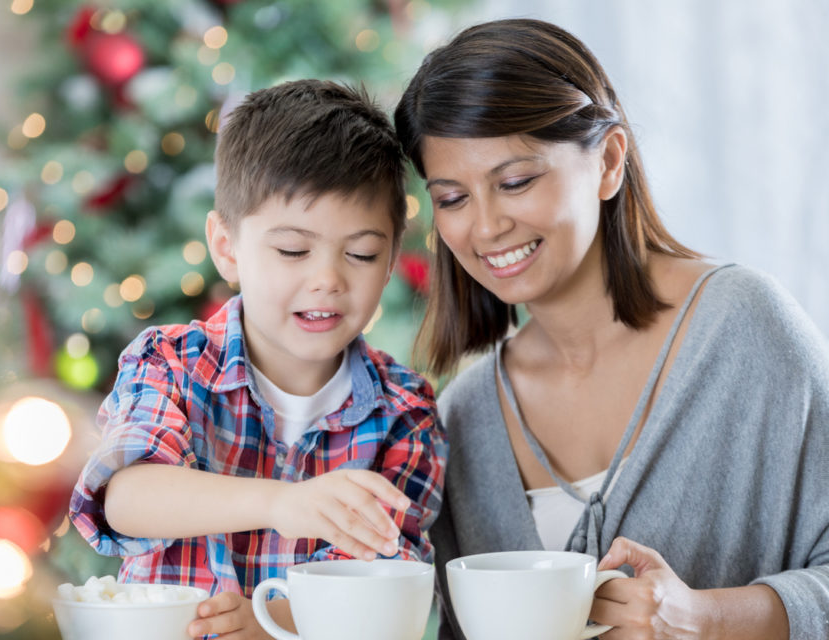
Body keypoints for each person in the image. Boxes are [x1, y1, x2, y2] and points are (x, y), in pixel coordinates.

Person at [394, 18, 829, 640]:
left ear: (608, 161)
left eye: (515, 181)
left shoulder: (745, 328)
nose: (485, 227)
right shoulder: (465, 418)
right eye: (453, 198)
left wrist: (705, 619)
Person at [69, 79, 447, 640]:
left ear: (391, 260)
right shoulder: (172, 364)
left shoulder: (404, 412)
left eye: (362, 254)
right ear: (227, 249)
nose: (328, 280)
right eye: (293, 250)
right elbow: (125, 498)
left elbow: (391, 590)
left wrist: (276, 624)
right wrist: (282, 504)